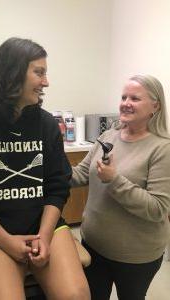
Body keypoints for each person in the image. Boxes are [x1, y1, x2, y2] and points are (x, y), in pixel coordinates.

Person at [0, 37, 90, 300]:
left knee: (76, 295)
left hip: (44, 226)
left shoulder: (47, 125)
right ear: (13, 74)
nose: (46, 82)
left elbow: (58, 186)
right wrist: (5, 241)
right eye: (39, 72)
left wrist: (45, 236)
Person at [72, 74, 170, 300]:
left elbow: (157, 209)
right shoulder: (109, 135)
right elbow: (81, 174)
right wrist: (49, 172)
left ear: (155, 106)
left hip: (135, 257)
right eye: (124, 96)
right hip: (93, 246)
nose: (125, 102)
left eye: (134, 98)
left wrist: (114, 180)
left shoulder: (162, 149)